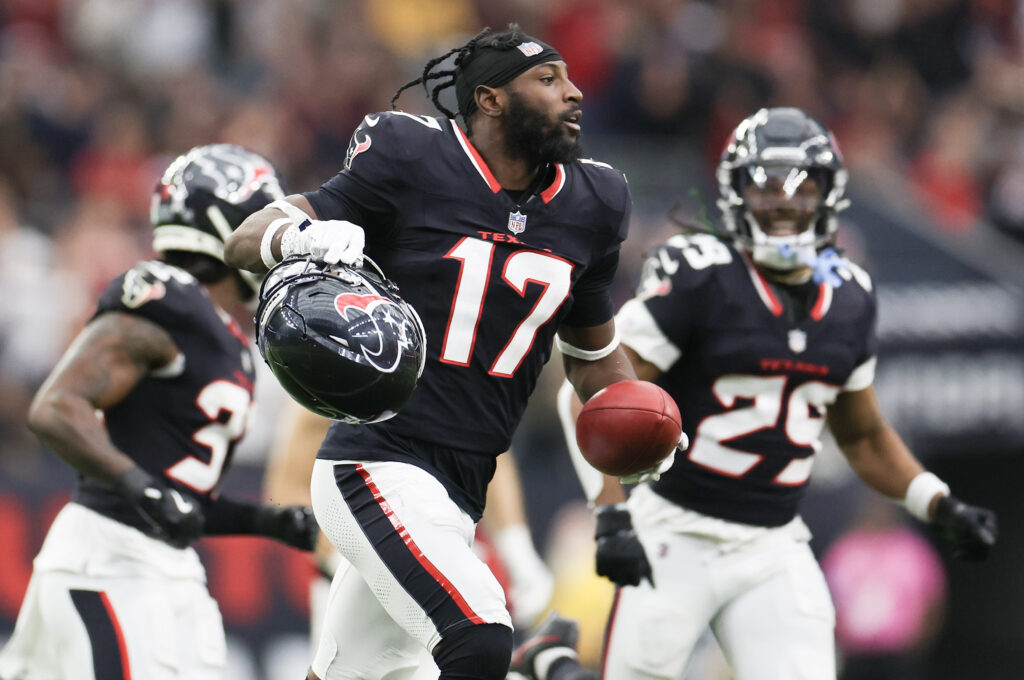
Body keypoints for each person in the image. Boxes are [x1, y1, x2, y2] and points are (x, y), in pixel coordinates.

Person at [224, 24, 663, 680]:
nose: (573, 94)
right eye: (547, 80)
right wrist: (297, 239)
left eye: (570, 79)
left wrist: (641, 429)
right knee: (480, 634)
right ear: (488, 100)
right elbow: (245, 240)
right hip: (376, 464)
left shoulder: (592, 204)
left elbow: (594, 357)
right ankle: (537, 663)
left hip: (463, 484)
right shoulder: (411, 154)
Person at [508, 107, 999, 680]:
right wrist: (613, 516)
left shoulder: (851, 296)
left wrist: (936, 502)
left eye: (801, 186)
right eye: (765, 186)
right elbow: (594, 397)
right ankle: (554, 665)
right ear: (738, 193)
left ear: (828, 194)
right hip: (673, 528)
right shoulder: (699, 275)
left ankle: (554, 666)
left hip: (772, 542)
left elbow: (862, 434)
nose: (784, 202)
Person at [0, 144, 320, 680]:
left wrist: (264, 520)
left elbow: (180, 497)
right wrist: (145, 491)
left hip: (162, 566)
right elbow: (56, 407)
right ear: (225, 222)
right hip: (110, 559)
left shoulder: (224, 335)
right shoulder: (164, 298)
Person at [262, 401, 555, 658]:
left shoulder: (453, 375)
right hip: (357, 581)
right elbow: (285, 489)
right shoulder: (352, 365)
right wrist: (353, 556)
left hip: (445, 571)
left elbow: (492, 452)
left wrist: (518, 549)